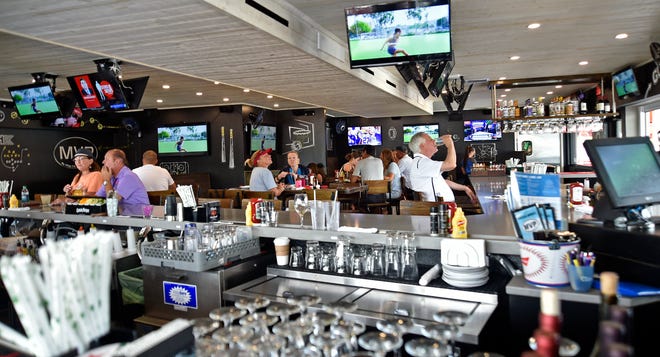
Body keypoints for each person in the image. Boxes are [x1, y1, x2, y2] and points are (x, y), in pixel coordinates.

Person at [409, 132, 476, 202]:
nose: (434, 141)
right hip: (439, 209)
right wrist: (450, 144)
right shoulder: (421, 163)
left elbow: (443, 181)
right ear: (422, 146)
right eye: (431, 140)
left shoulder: (421, 162)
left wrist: (465, 188)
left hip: (445, 206)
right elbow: (451, 164)